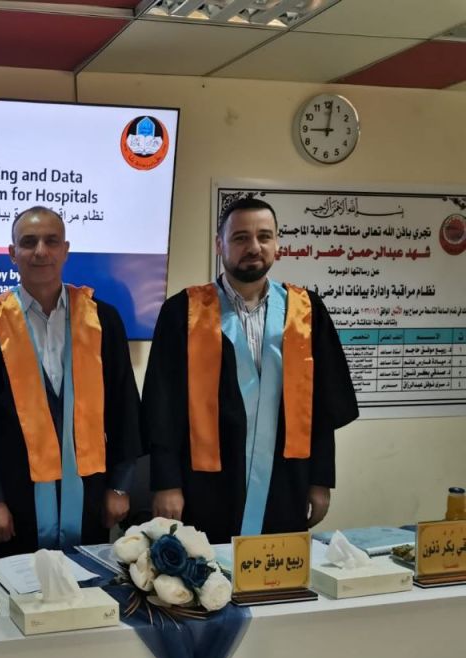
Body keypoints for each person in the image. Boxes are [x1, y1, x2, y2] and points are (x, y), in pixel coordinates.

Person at [142, 197, 359, 543]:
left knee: (277, 567)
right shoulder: (183, 312)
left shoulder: (306, 311)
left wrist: (320, 480)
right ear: (220, 245)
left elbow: (323, 407)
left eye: (264, 236)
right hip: (207, 484)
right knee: (207, 568)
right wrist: (167, 483)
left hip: (286, 480)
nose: (254, 247)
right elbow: (162, 407)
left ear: (277, 244)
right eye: (240, 237)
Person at [0, 206, 143, 559]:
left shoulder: (103, 320)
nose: (41, 251)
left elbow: (124, 406)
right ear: (13, 254)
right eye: (29, 242)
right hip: (12, 501)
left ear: (65, 250)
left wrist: (119, 486)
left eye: (51, 241)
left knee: (84, 584)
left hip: (88, 494)